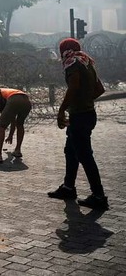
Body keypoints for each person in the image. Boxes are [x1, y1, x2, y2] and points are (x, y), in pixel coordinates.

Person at [47, 38, 108, 210]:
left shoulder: (72, 62)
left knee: (85, 156)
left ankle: (99, 196)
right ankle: (68, 187)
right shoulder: (86, 62)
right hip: (87, 114)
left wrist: (62, 109)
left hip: (80, 117)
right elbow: (100, 89)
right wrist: (85, 100)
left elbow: (73, 87)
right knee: (71, 151)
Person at [0, 87, 32, 163]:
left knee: (0, 126)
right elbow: (13, 121)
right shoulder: (7, 94)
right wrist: (10, 135)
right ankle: (17, 150)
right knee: (20, 124)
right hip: (26, 101)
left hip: (15, 99)